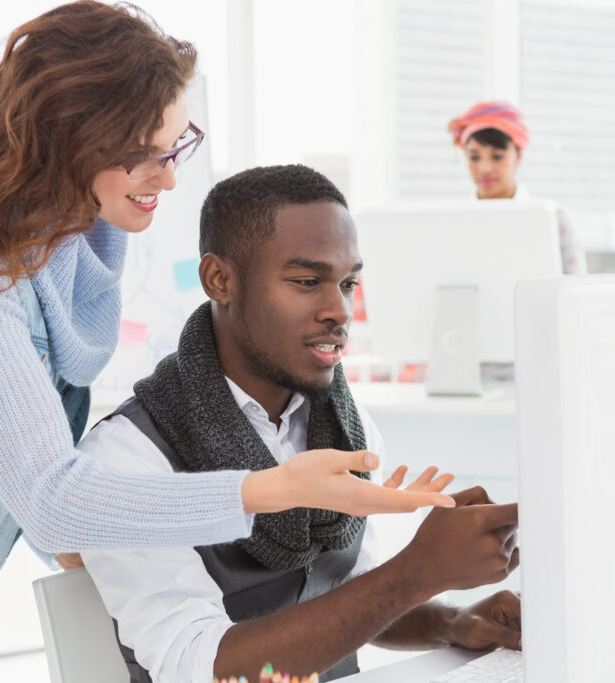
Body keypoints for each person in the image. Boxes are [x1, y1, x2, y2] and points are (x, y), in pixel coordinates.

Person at [0, 4, 454, 681]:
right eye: (147, 154)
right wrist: (271, 488)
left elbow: (13, 463)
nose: (171, 177)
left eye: (178, 144)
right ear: (74, 140)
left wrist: (154, 580)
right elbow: (51, 500)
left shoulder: (64, 257)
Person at [79, 165, 522, 682]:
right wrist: (418, 572)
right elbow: (199, 668)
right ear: (219, 280)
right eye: (307, 282)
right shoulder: (125, 458)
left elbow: (348, 594)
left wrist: (453, 621)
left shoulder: (344, 427)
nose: (339, 309)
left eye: (349, 282)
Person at [448, 100, 587, 274]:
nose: (485, 168)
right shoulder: (452, 222)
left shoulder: (556, 218)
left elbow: (574, 293)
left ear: (519, 155)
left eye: (497, 156)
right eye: (474, 157)